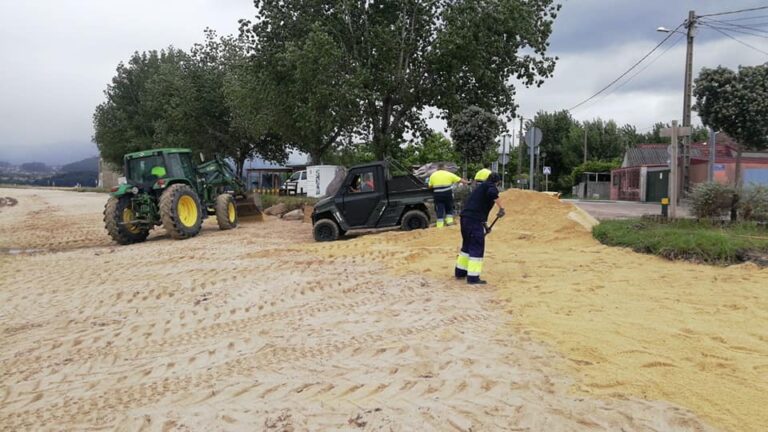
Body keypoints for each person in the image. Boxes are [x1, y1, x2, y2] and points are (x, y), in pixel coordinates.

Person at [454, 170, 505, 285]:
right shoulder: (490, 187)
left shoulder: (480, 188)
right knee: (477, 245)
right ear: (498, 182)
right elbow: (493, 194)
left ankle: (460, 272)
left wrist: (485, 226)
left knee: (467, 245)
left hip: (466, 218)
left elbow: (479, 209)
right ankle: (473, 278)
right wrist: (501, 208)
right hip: (473, 220)